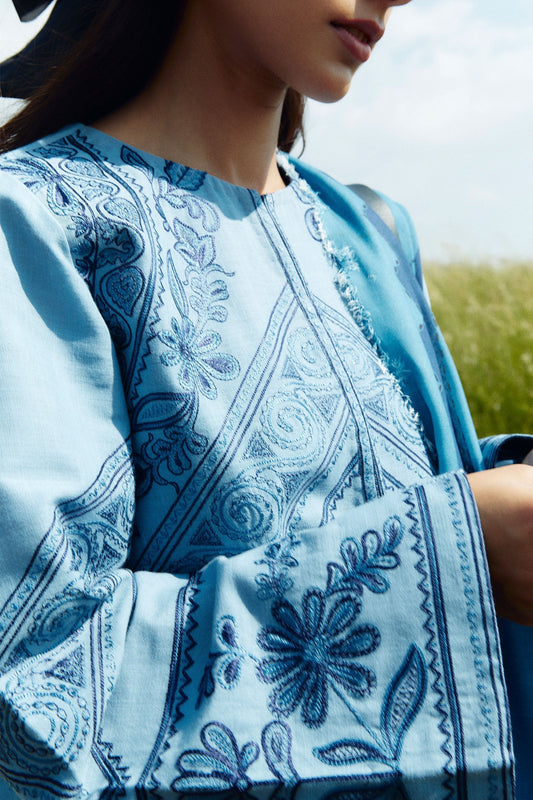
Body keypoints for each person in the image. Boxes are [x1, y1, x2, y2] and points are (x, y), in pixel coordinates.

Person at [1, 0, 533, 797]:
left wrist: (503, 493)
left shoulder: (369, 230)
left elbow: (393, 478)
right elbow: (32, 688)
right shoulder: (37, 225)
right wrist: (458, 554)